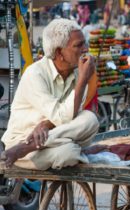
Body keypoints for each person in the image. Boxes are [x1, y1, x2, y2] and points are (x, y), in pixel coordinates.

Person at [0, 19, 100, 170]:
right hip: (21, 142)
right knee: (71, 152)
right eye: (78, 45)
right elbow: (62, 117)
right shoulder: (35, 73)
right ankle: (24, 148)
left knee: (89, 119)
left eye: (84, 44)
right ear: (59, 52)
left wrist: (46, 124)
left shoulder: (78, 73)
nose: (85, 49)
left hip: (46, 140)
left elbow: (72, 115)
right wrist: (83, 80)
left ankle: (28, 147)